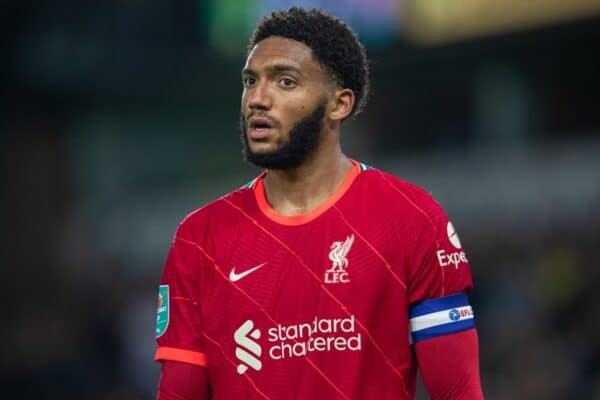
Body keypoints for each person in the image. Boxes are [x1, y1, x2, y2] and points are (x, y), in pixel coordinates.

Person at [154, 7, 483, 400]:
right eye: (250, 81)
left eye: (285, 81)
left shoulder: (411, 218)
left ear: (339, 104)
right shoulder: (200, 238)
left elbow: (458, 392)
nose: (258, 99)